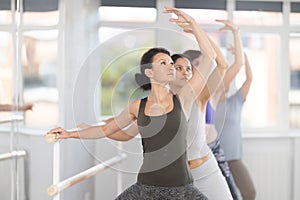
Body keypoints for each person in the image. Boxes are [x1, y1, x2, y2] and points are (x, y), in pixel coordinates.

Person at [47, 7, 216, 200]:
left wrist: (193, 25)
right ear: (149, 72)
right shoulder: (138, 106)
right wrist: (69, 134)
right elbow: (107, 129)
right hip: (146, 188)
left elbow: (210, 58)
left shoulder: (183, 97)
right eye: (163, 63)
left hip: (182, 190)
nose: (170, 66)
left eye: (171, 63)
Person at [183, 19, 243, 200]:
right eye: (201, 63)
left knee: (233, 195)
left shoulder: (211, 91)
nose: (208, 66)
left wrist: (235, 33)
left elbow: (231, 65)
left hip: (213, 151)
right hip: (192, 158)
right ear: (193, 66)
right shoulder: (183, 94)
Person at [215, 51, 256, 200]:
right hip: (213, 159)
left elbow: (249, 79)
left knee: (249, 193)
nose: (226, 81)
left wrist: (243, 55)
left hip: (233, 158)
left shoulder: (235, 101)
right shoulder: (207, 104)